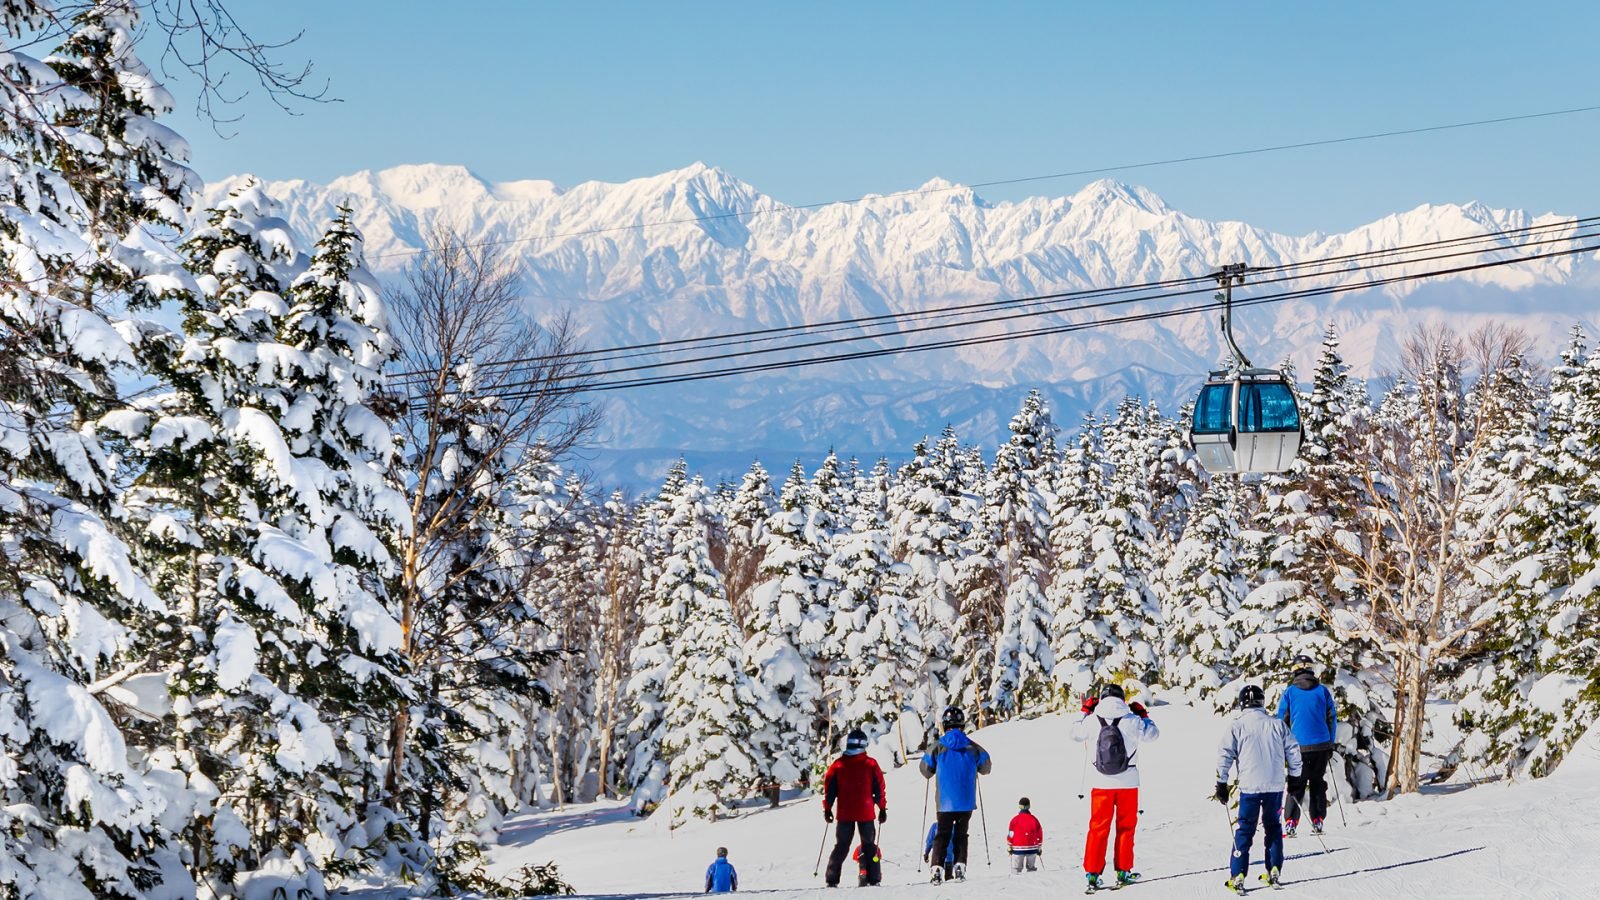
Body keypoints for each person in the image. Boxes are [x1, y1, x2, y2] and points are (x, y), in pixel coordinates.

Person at [1070, 684, 1159, 892]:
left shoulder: (1092, 720)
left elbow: (1073, 733)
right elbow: (1153, 734)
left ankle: (1092, 875)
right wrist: (1144, 715)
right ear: (1122, 699)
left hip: (1100, 784)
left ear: (1101, 699)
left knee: (1098, 828)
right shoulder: (1132, 720)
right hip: (1128, 783)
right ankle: (1123, 872)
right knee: (1126, 828)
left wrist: (1084, 711)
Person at [1217, 684, 1304, 893]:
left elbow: (1225, 754)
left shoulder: (1237, 726)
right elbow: (1293, 750)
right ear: (1262, 701)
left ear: (1242, 703)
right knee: (1273, 826)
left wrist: (1221, 782)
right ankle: (1274, 868)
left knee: (1245, 828)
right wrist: (1295, 777)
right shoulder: (1277, 724)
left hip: (1250, 787)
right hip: (1274, 785)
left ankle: (1238, 873)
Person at [920, 706, 992, 884]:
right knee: (961, 834)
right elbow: (986, 767)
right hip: (966, 801)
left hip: (944, 802)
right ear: (962, 724)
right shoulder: (973, 747)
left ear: (945, 725)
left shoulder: (937, 747)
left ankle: (937, 868)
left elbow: (925, 770)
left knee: (942, 834)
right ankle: (960, 867)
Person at [1277, 654, 1338, 836]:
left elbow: (1282, 721)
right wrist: (1330, 743)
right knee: (1317, 782)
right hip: (1321, 745)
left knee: (1297, 783)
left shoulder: (1289, 692)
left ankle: (1290, 822)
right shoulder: (1323, 691)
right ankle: (1318, 820)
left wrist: (1282, 746)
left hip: (1298, 747)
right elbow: (1332, 718)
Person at [822, 728, 888, 887]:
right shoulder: (870, 764)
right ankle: (874, 878)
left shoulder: (838, 765)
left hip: (845, 813)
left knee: (841, 846)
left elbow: (829, 788)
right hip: (866, 812)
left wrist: (827, 808)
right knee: (870, 846)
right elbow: (879, 788)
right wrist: (882, 808)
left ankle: (831, 878)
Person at [1006, 796, 1044, 873]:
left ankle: (1016, 879)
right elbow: (1039, 833)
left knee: (1017, 868)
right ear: (1029, 806)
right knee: (1031, 868)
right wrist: (1039, 846)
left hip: (1018, 848)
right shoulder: (1034, 819)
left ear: (1019, 806)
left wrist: (1010, 844)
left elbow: (1011, 834)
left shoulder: (1014, 820)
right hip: (1032, 847)